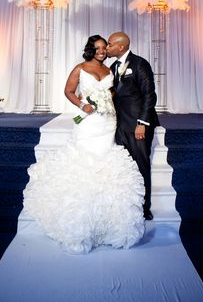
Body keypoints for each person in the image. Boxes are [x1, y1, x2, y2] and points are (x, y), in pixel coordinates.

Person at [23, 35, 145, 254]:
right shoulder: (80, 68)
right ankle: (79, 221)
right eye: (97, 48)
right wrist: (83, 104)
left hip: (108, 122)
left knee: (106, 162)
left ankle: (108, 221)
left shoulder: (111, 71)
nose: (101, 51)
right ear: (90, 50)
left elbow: (113, 93)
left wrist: (106, 100)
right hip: (88, 122)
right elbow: (68, 91)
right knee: (85, 162)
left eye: (103, 48)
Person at [106, 32, 160, 221]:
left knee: (141, 166)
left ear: (121, 47)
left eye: (110, 44)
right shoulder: (113, 67)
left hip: (138, 125)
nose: (107, 48)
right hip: (121, 125)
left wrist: (142, 123)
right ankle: (127, 204)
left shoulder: (139, 64)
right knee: (126, 167)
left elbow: (149, 95)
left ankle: (144, 209)